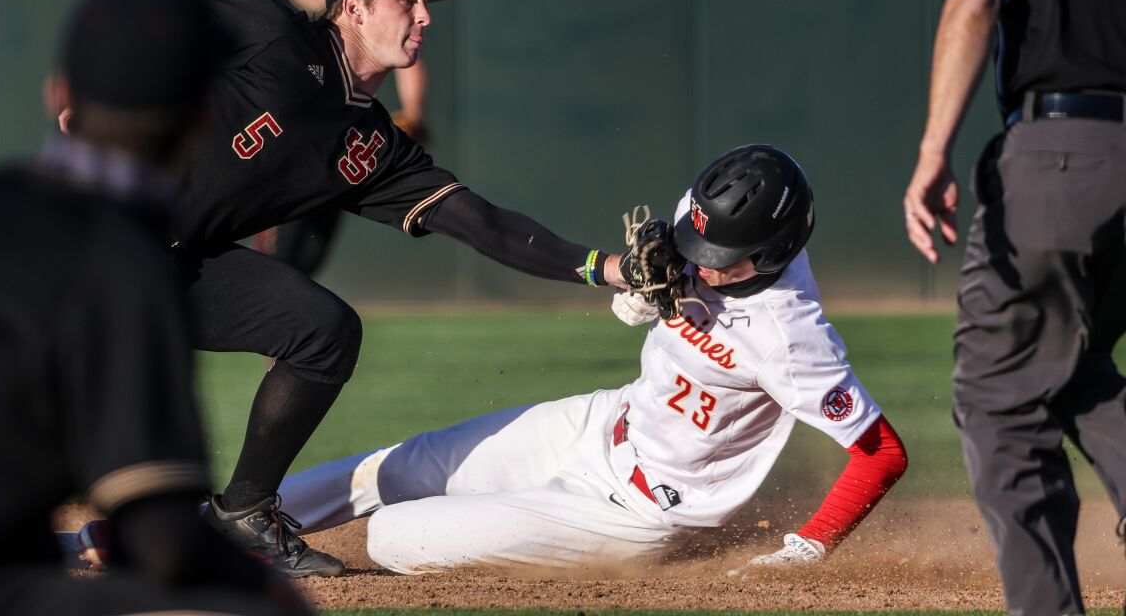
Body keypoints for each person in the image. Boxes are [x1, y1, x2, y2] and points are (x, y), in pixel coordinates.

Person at [160, 0, 631, 577]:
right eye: (405, 1)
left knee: (324, 331)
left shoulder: (374, 146)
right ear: (353, 10)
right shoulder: (277, 35)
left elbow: (483, 223)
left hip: (182, 265)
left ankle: (243, 514)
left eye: (425, 2)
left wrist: (607, 268)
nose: (424, 17)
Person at [273, 146, 908, 574]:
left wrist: (809, 545)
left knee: (394, 536)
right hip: (601, 423)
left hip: (640, 510)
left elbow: (883, 452)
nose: (698, 263)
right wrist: (639, 288)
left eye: (717, 261)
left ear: (770, 257)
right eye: (697, 242)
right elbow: (672, 256)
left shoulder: (790, 334)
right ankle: (221, 524)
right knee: (394, 468)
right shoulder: (706, 217)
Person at [0, 0, 306, 616]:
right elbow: (163, 543)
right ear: (203, 118)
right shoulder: (123, 256)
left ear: (60, 94)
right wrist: (268, 589)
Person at [902, 0, 1126, 613]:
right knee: (1072, 359)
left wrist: (934, 150)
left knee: (998, 398)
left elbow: (973, 3)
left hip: (1059, 155)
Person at [256, 0, 430, 273]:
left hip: (337, 145)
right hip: (283, 152)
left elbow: (408, 57)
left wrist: (412, 112)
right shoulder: (270, 7)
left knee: (308, 261)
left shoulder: (349, 6)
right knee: (277, 264)